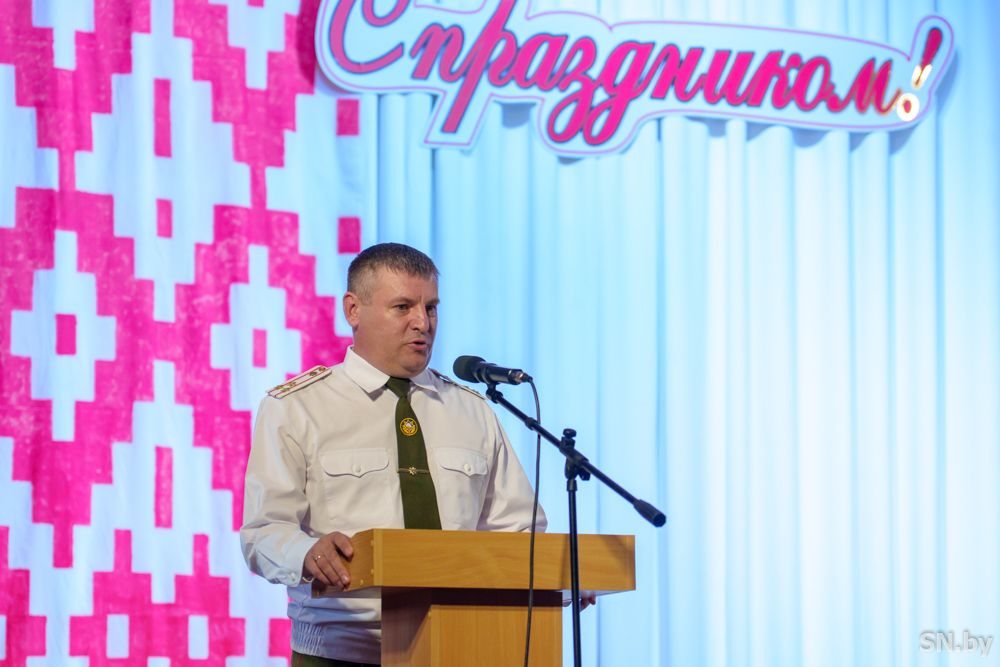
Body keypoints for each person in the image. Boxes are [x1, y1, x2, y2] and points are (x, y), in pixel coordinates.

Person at [240, 242, 546, 666]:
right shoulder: (297, 407)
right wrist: (306, 553)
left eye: (431, 308)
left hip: (461, 647)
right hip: (341, 651)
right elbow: (263, 531)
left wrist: (561, 577)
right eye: (402, 307)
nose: (422, 322)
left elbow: (519, 531)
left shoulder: (473, 410)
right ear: (353, 310)